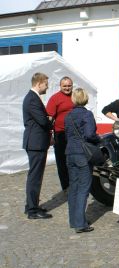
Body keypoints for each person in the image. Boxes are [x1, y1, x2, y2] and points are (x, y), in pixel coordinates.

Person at [64, 88, 99, 233]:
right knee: (83, 188)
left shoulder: (68, 116)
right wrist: (98, 139)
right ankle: (80, 223)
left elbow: (67, 135)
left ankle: (75, 220)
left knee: (74, 187)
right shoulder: (87, 114)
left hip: (70, 153)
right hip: (82, 154)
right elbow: (90, 134)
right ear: (85, 99)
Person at [22, 72, 53, 219]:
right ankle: (32, 210)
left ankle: (31, 205)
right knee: (35, 177)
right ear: (39, 83)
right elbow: (42, 121)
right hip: (36, 143)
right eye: (46, 84)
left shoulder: (33, 98)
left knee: (35, 176)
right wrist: (51, 120)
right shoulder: (32, 99)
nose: (47, 87)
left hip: (37, 142)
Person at [46, 76, 73, 191]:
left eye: (69, 85)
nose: (67, 88)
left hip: (74, 134)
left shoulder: (75, 96)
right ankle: (66, 186)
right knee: (62, 161)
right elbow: (49, 118)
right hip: (60, 133)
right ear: (60, 86)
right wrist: (49, 134)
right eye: (65, 86)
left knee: (74, 159)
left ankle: (75, 183)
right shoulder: (55, 98)